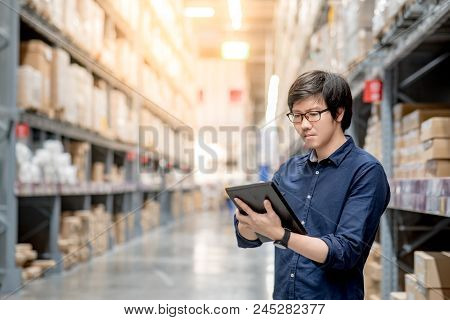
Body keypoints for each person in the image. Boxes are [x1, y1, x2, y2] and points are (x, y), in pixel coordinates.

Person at [233, 70, 390, 299]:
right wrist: (249, 221)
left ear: (338, 112)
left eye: (313, 114)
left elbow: (345, 252)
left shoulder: (365, 172)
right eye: (297, 116)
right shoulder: (288, 170)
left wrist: (281, 235)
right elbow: (247, 239)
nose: (304, 125)